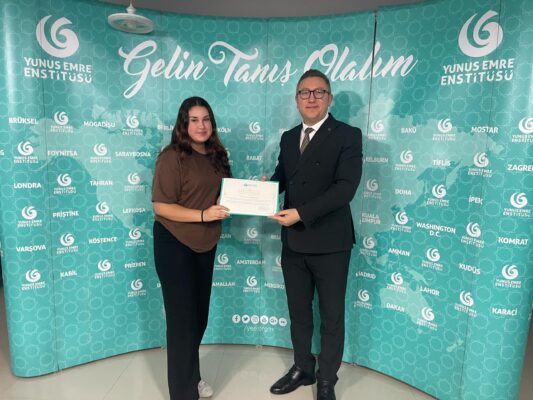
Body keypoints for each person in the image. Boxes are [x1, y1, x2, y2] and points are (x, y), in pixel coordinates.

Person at [267, 69, 363, 400]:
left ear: (329, 98)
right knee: (299, 312)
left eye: (318, 92)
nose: (311, 98)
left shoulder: (348, 135)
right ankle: (302, 368)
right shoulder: (288, 137)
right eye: (304, 92)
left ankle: (326, 379)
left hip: (331, 243)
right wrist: (264, 189)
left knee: (332, 316)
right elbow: (283, 176)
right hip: (294, 241)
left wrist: (301, 213)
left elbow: (345, 189)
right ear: (296, 99)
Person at [151, 96, 231, 400]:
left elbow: (225, 195)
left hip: (205, 244)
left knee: (198, 317)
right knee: (182, 322)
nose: (201, 125)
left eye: (206, 119)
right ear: (183, 124)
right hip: (174, 244)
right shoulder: (172, 156)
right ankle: (183, 392)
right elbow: (161, 206)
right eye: (194, 120)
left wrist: (256, 190)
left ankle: (192, 376)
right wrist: (202, 215)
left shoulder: (217, 155)